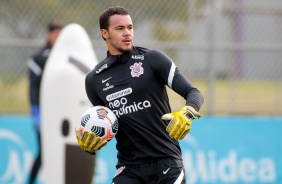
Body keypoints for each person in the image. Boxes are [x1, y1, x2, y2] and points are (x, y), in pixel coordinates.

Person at [75, 6, 204, 184]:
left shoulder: (153, 59)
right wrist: (90, 144)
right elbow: (104, 122)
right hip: (129, 168)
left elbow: (193, 92)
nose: (127, 33)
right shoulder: (94, 80)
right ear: (105, 33)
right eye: (120, 28)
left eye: (130, 27)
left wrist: (187, 113)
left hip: (166, 162)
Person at [27, 20, 64, 184]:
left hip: (63, 112)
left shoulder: (67, 57)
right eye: (55, 34)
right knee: (44, 152)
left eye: (60, 34)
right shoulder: (38, 58)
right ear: (48, 35)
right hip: (45, 113)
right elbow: (33, 87)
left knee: (63, 151)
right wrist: (36, 111)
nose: (58, 38)